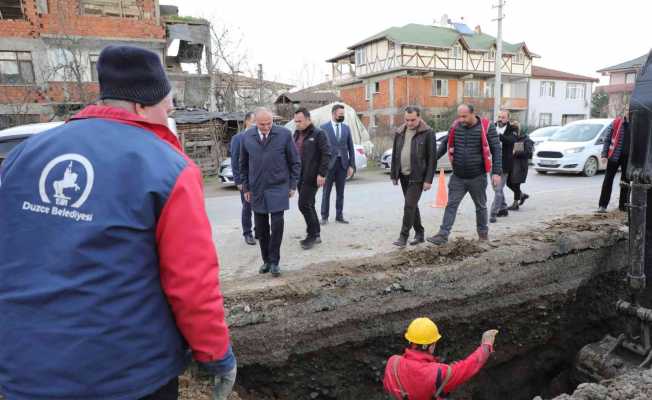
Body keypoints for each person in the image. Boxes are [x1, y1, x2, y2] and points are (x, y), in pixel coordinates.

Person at [0, 45, 236, 400]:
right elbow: (191, 281)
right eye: (166, 107)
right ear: (142, 104)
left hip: (25, 368)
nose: (169, 117)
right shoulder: (167, 167)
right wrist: (216, 354)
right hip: (125, 373)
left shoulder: (24, 154)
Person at [428, 104, 502, 245]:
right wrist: (431, 162)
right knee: (451, 205)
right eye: (459, 116)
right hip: (458, 176)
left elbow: (497, 150)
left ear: (473, 114)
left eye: (464, 116)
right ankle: (443, 235)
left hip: (477, 176)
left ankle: (483, 235)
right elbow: (444, 145)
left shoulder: (487, 127)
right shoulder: (456, 126)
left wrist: (497, 172)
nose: (461, 119)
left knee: (480, 206)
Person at [240, 107, 300, 277]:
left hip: (278, 186)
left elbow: (295, 161)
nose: (266, 127)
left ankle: (275, 261)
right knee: (260, 227)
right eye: (261, 124)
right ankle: (266, 260)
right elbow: (243, 164)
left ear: (273, 120)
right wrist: (246, 187)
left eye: (269, 123)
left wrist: (292, 185)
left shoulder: (284, 135)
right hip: (257, 188)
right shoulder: (247, 137)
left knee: (277, 224)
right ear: (254, 122)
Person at [384, 317, 498, 400]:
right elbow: (469, 366)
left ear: (410, 341)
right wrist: (486, 345)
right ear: (432, 345)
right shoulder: (440, 373)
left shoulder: (392, 362)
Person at [390, 106, 436, 247]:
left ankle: (403, 236)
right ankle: (420, 233)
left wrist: (428, 180)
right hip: (404, 175)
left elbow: (432, 158)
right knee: (412, 206)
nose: (409, 123)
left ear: (419, 117)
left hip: (418, 176)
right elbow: (395, 154)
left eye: (413, 120)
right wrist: (394, 174)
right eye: (407, 120)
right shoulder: (400, 132)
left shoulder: (427, 132)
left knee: (409, 206)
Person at [293, 107, 331, 250]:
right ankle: (316, 234)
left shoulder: (319, 133)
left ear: (308, 119)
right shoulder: (296, 134)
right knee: (309, 205)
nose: (297, 124)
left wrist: (322, 174)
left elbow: (326, 154)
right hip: (299, 176)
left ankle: (312, 235)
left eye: (300, 121)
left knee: (303, 204)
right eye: (296, 121)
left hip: (312, 176)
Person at [321, 104, 356, 224]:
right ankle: (324, 216)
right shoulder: (323, 128)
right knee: (326, 192)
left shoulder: (346, 128)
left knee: (340, 192)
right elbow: (320, 149)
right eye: (340, 114)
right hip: (329, 166)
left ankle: (339, 216)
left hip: (343, 164)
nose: (342, 116)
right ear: (333, 113)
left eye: (343, 114)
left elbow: (351, 147)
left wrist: (352, 165)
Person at [230, 111, 256, 245]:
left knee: (260, 206)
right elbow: (234, 161)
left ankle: (259, 230)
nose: (256, 124)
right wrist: (238, 180)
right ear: (246, 121)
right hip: (245, 180)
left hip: (259, 179)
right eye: (253, 121)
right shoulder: (238, 138)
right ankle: (247, 233)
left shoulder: (260, 136)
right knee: (247, 206)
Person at [598, 112, 631, 213]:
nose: (629, 113)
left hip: (628, 158)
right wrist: (604, 155)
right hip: (614, 156)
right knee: (608, 181)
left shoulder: (636, 125)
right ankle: (602, 205)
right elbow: (607, 139)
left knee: (625, 182)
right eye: (628, 111)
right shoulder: (616, 122)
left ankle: (623, 205)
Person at [490, 110, 517, 223]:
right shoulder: (492, 127)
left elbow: (512, 140)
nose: (500, 119)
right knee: (496, 188)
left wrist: (498, 136)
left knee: (498, 189)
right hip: (492, 162)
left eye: (503, 117)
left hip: (505, 164)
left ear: (508, 119)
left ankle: (493, 213)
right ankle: (504, 207)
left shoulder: (513, 129)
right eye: (499, 117)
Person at [506, 121, 534, 211]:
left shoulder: (525, 139)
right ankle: (521, 195)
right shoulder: (515, 138)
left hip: (520, 166)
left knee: (515, 183)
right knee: (509, 183)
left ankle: (515, 204)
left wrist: (516, 151)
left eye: (515, 129)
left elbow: (529, 154)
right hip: (512, 164)